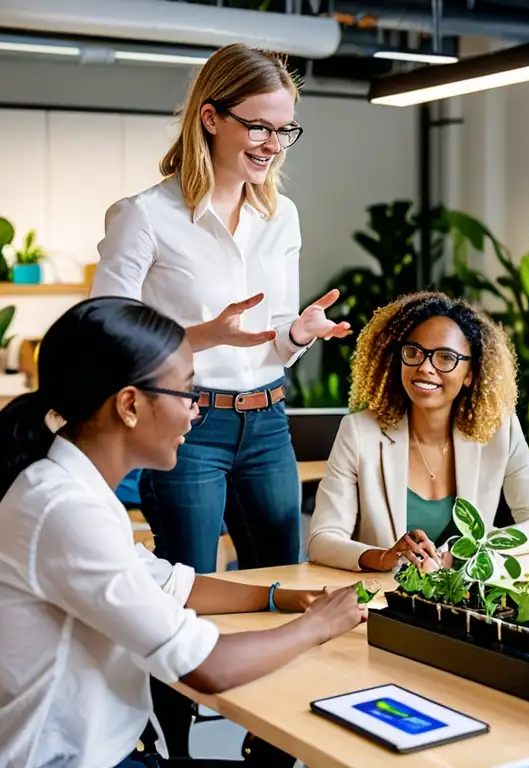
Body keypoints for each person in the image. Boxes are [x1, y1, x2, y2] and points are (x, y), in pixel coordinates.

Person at [89, 43, 351, 755]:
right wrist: (202, 335)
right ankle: (166, 748)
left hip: (265, 420)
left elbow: (268, 341)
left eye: (284, 129)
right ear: (211, 117)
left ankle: (272, 748)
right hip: (188, 427)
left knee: (284, 587)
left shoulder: (281, 217)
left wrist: (296, 335)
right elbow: (105, 339)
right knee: (183, 596)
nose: (273, 144)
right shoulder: (144, 216)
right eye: (259, 126)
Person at [0, 297, 365, 768]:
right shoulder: (65, 509)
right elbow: (207, 667)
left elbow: (170, 583)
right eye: (187, 394)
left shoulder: (71, 488)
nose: (195, 413)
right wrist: (318, 626)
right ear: (130, 404)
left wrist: (282, 597)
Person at [308, 292, 529, 572]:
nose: (425, 367)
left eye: (445, 358)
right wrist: (383, 557)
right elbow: (322, 540)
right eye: (414, 352)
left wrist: (469, 550)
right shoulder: (359, 431)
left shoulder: (500, 430)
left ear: (470, 374)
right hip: (384, 599)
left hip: (464, 598)